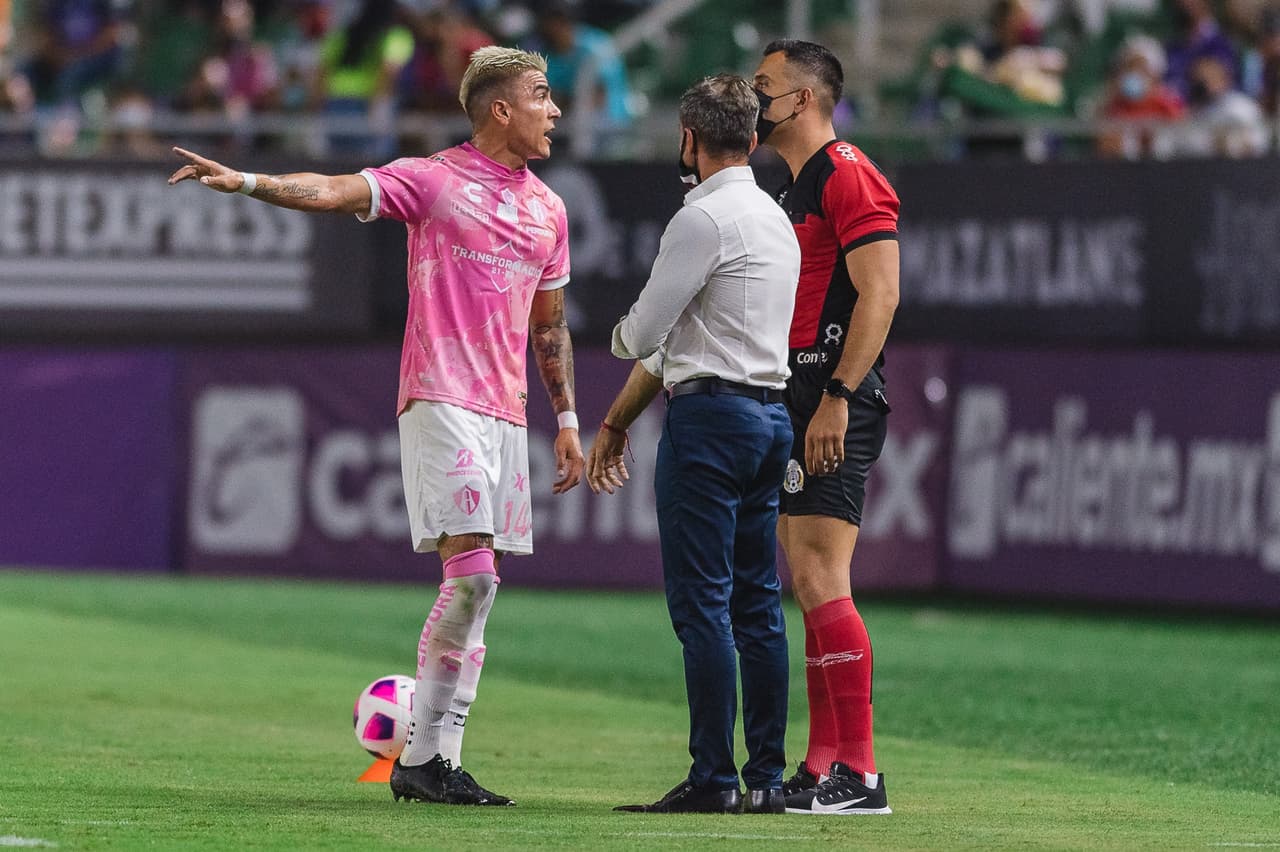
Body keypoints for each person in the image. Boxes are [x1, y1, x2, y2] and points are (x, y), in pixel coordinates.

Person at [167, 45, 584, 807]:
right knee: (474, 579)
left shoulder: (549, 211)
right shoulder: (433, 180)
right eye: (541, 95)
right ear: (501, 109)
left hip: (506, 412)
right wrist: (248, 181)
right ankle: (427, 759)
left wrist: (566, 419)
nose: (554, 110)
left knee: (483, 591)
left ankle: (435, 761)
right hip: (442, 396)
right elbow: (331, 189)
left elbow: (548, 327)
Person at [586, 73, 800, 815]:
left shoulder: (701, 219)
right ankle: (768, 778)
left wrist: (620, 338)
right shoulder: (775, 216)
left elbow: (643, 335)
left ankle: (713, 778)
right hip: (772, 416)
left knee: (703, 605)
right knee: (759, 604)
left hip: (711, 420)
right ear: (751, 134)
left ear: (689, 137)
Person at [751, 39, 899, 815]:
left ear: (803, 99)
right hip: (798, 391)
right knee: (806, 581)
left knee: (822, 577)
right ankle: (821, 763)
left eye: (764, 87)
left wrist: (839, 395)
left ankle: (863, 775)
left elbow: (880, 294)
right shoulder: (795, 185)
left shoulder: (847, 172)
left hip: (833, 396)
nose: (754, 101)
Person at [1097, 34, 1186, 159]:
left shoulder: (1168, 100)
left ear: (1155, 74)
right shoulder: (1113, 101)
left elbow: (1182, 132)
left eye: (1141, 68)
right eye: (1130, 66)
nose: (1135, 72)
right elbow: (1103, 143)